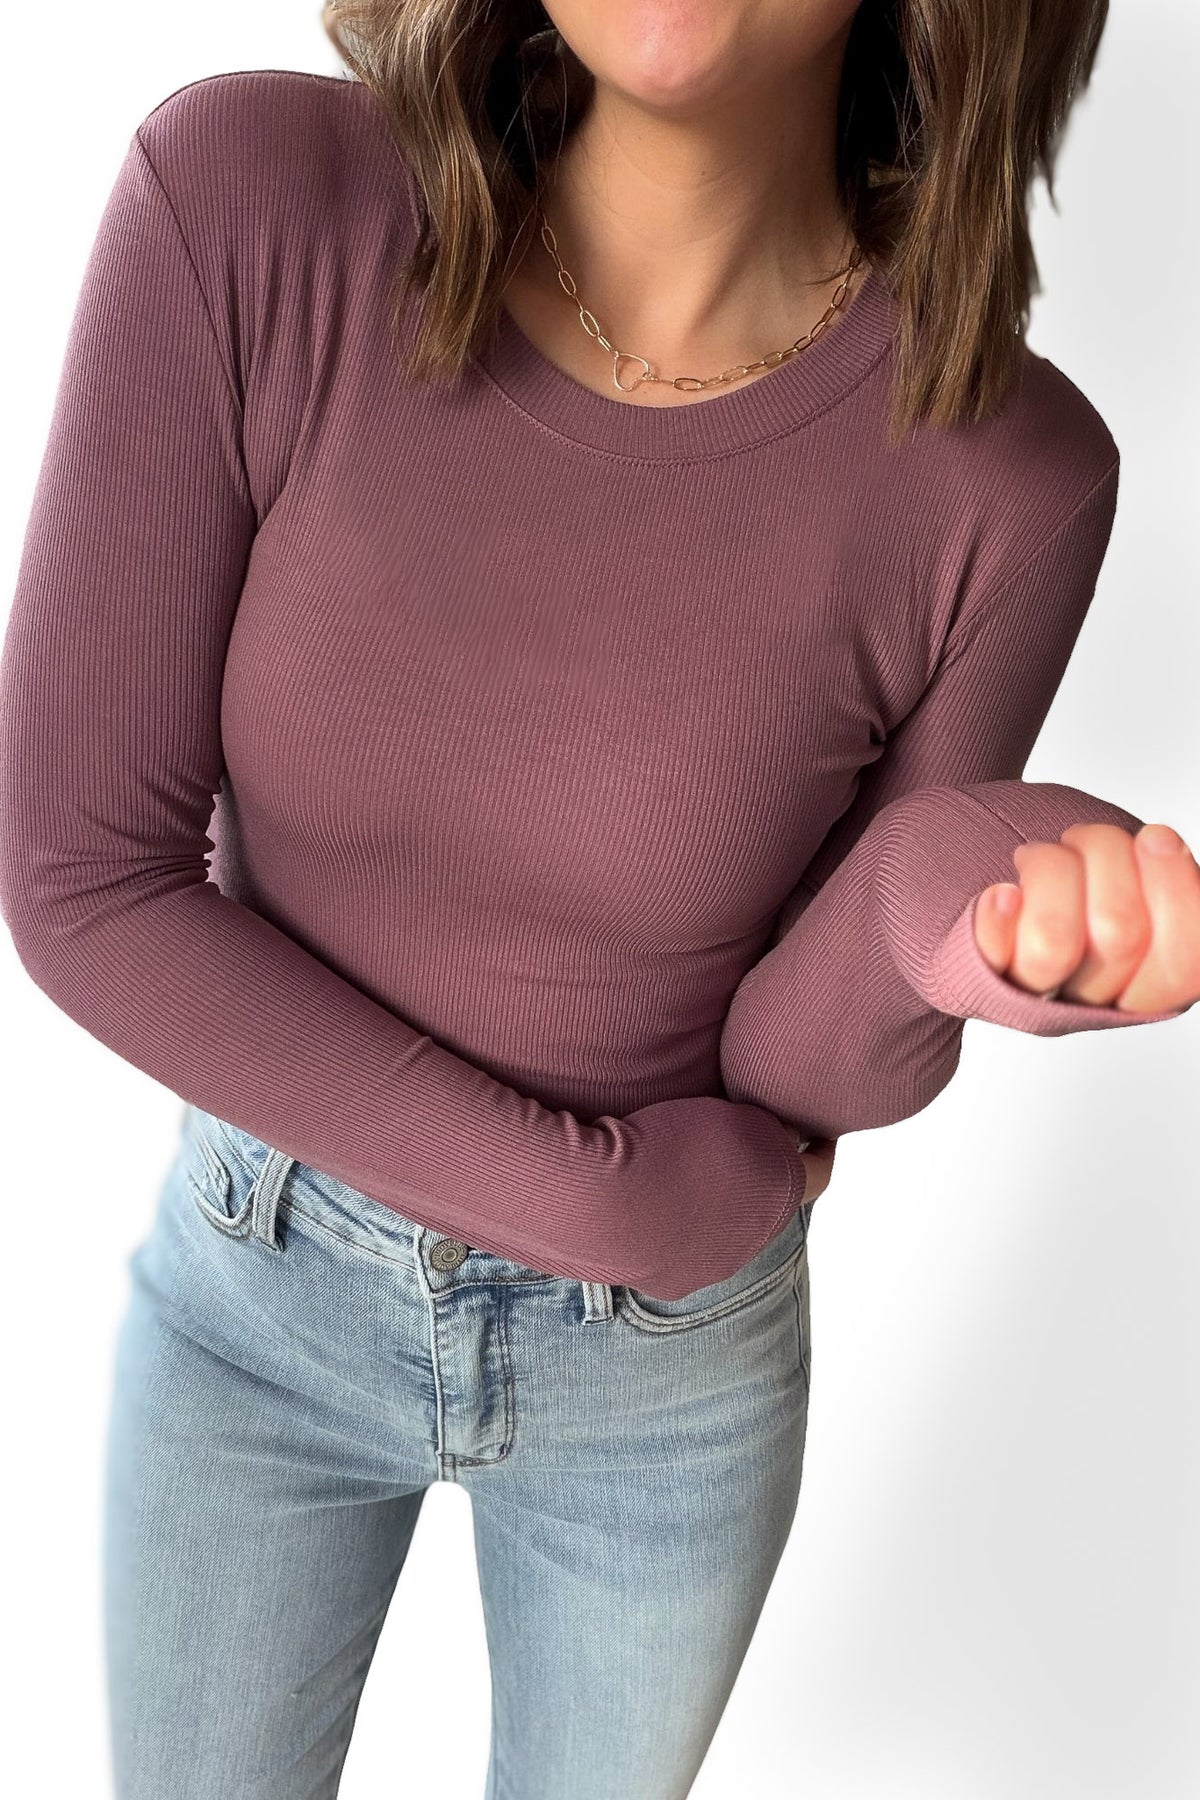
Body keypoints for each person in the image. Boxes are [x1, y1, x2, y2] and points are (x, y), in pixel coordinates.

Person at [0, 3, 1195, 1796]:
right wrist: (599, 1198)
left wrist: (978, 926)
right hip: (262, 1291)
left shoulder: (1011, 473)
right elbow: (78, 873)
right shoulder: (252, 205)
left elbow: (796, 1071)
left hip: (666, 1388)